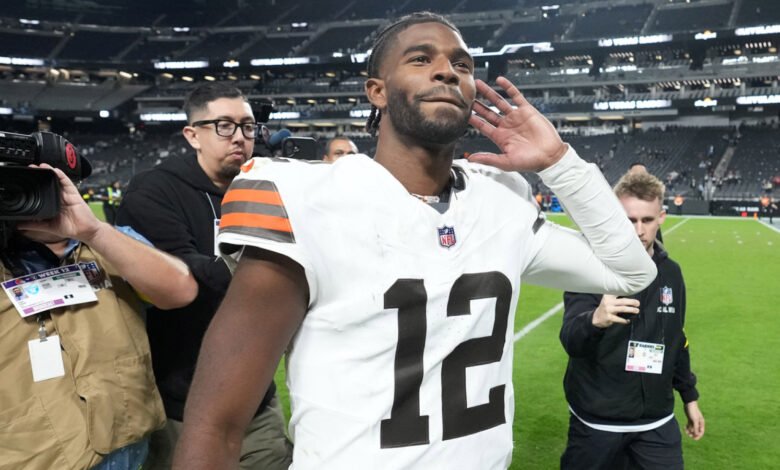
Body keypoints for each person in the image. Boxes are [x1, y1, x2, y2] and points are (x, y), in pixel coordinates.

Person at [173, 12, 656, 470]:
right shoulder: (307, 200)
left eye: (462, 65)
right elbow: (216, 424)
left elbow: (630, 272)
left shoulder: (499, 201)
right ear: (377, 91)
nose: (447, 71)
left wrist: (558, 161)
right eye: (421, 59)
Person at [116, 82, 292, 469]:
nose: (240, 137)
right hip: (182, 401)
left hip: (257, 396)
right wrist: (270, 272)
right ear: (192, 135)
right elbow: (184, 281)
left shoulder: (267, 186)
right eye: (224, 126)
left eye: (248, 126)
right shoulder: (155, 191)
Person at [0, 162, 197, 469]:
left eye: (41, 184)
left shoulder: (108, 241)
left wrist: (93, 231)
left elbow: (179, 291)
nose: (29, 198)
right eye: (12, 188)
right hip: (36, 456)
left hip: (127, 440)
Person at [559, 171, 704, 470]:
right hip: (598, 422)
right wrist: (595, 320)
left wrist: (689, 397)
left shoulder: (671, 273)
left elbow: (676, 339)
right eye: (629, 220)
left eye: (647, 220)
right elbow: (571, 339)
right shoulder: (590, 269)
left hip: (657, 422)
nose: (638, 231)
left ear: (661, 217)